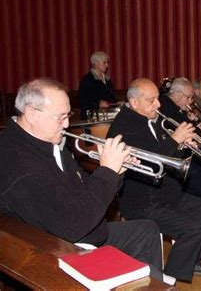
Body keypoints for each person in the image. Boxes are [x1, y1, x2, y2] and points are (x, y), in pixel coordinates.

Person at [0, 78, 169, 284]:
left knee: (146, 230)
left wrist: (117, 172)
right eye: (61, 117)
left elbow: (80, 190)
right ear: (32, 114)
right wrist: (107, 171)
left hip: (78, 228)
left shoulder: (41, 141)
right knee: (151, 274)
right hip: (59, 248)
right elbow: (73, 225)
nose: (67, 124)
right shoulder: (19, 163)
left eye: (68, 115)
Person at [107, 78, 201, 282]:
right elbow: (149, 164)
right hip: (143, 202)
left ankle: (192, 260)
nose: (158, 105)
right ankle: (170, 278)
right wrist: (174, 141)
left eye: (157, 99)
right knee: (194, 228)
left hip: (166, 193)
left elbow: (167, 156)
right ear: (134, 103)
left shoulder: (152, 119)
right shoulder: (124, 128)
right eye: (151, 101)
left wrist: (182, 145)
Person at [159, 77, 201, 201]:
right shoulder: (167, 107)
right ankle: (197, 206)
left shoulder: (174, 105)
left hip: (181, 151)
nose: (190, 101)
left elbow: (185, 125)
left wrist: (191, 121)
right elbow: (184, 128)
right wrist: (195, 127)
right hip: (173, 155)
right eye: (188, 97)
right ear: (178, 95)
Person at [78, 51, 117, 120]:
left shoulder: (107, 78)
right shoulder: (87, 80)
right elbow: (83, 100)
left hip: (106, 113)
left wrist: (117, 102)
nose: (107, 65)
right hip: (92, 116)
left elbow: (111, 96)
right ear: (95, 63)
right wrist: (98, 103)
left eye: (107, 62)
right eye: (104, 62)